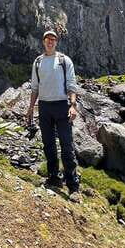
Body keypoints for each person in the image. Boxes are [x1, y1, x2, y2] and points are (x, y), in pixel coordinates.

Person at [26, 29, 82, 203]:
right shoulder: (38, 62)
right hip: (44, 106)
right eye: (47, 39)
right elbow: (35, 87)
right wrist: (31, 108)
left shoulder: (64, 60)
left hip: (62, 106)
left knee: (67, 146)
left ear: (56, 42)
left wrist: (73, 106)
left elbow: (71, 85)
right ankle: (54, 177)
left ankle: (73, 186)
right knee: (48, 144)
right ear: (43, 42)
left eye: (53, 39)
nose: (50, 42)